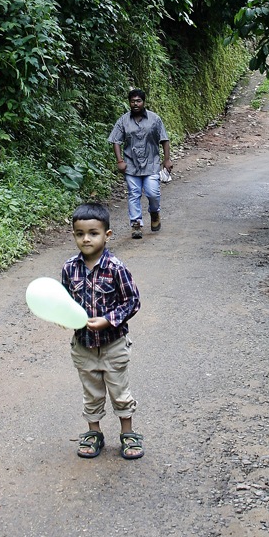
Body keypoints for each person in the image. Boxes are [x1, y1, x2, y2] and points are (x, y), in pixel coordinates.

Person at [61, 202, 144, 459]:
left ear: (106, 235)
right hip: (83, 345)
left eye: (93, 233)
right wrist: (62, 316)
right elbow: (62, 301)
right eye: (79, 233)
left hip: (113, 344)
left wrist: (109, 319)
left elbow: (132, 301)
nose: (86, 239)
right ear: (74, 234)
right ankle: (93, 433)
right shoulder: (69, 268)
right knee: (92, 393)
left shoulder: (115, 268)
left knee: (119, 392)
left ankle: (128, 434)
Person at [108, 88, 173, 239]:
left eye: (138, 101)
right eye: (132, 101)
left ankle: (154, 212)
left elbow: (164, 139)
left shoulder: (154, 119)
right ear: (129, 103)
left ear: (143, 102)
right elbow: (116, 141)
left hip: (151, 163)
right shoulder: (123, 121)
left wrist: (167, 159)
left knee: (152, 193)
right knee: (134, 194)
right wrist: (120, 161)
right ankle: (136, 224)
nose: (135, 104)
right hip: (131, 164)